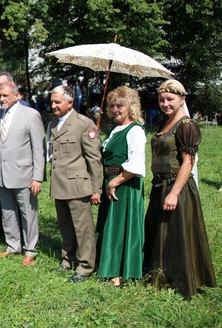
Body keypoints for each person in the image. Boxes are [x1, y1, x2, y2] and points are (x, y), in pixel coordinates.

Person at [143, 79, 216, 297]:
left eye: (170, 99)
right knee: (160, 233)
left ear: (182, 99)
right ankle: (159, 275)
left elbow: (188, 162)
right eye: (161, 99)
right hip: (160, 185)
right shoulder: (164, 123)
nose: (165, 103)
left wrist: (174, 192)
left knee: (176, 234)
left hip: (177, 187)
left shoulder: (186, 125)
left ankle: (180, 279)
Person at [47, 85, 102, 283]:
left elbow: (93, 159)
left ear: (70, 103)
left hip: (77, 186)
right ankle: (67, 260)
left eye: (57, 102)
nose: (53, 105)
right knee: (65, 227)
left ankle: (86, 266)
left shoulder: (83, 124)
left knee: (83, 228)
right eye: (52, 101)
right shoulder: (53, 124)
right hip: (59, 184)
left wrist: (96, 189)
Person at [0, 82, 45, 266]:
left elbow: (38, 149)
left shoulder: (31, 115)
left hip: (24, 176)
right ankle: (13, 246)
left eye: (6, 95)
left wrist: (37, 177)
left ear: (17, 95)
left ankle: (30, 249)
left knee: (28, 214)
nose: (2, 99)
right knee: (7, 212)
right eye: (0, 96)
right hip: (2, 175)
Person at [95, 86, 146, 287]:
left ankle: (120, 273)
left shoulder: (135, 130)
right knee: (111, 224)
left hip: (124, 183)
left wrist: (115, 182)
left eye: (120, 105)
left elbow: (136, 163)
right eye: (113, 105)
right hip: (111, 182)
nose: (115, 109)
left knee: (121, 226)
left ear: (131, 107)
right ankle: (108, 267)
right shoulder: (115, 129)